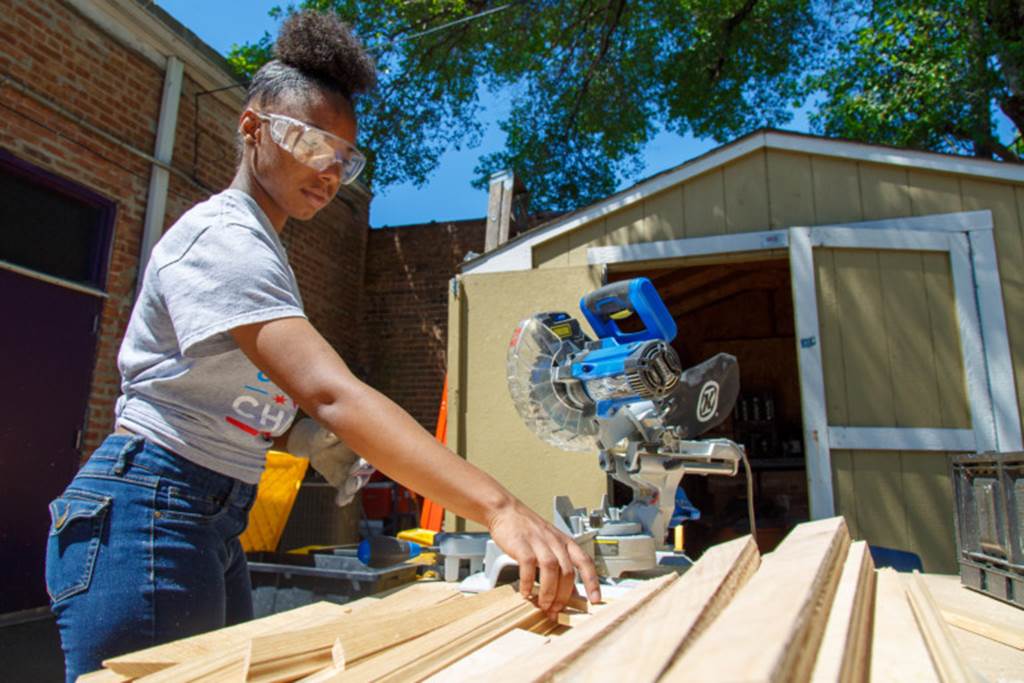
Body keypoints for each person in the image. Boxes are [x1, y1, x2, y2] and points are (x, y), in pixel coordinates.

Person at [44, 11, 600, 681]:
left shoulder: (265, 252)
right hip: (149, 507)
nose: (330, 169)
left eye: (345, 156)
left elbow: (247, 401)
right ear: (252, 128)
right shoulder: (223, 240)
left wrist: (302, 440)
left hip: (210, 513)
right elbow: (332, 392)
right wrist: (499, 506)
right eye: (311, 142)